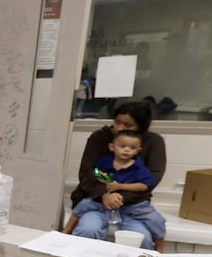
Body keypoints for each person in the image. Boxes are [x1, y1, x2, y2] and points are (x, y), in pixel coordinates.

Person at [69, 100, 166, 249]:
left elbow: (151, 180)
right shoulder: (99, 137)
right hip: (96, 202)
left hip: (132, 207)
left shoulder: (154, 141)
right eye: (117, 122)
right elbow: (87, 173)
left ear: (141, 127)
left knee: (143, 240)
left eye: (128, 125)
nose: (120, 128)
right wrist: (104, 194)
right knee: (87, 231)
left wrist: (119, 198)